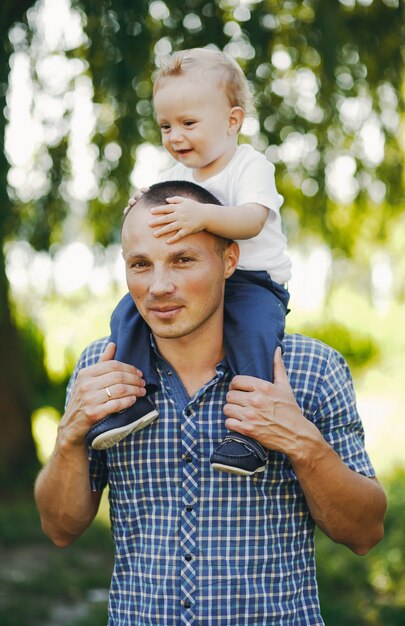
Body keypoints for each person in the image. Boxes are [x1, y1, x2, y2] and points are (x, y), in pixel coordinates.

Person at [35, 182, 386, 626]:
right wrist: (70, 435)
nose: (160, 286)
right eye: (141, 264)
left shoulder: (310, 369)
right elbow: (60, 529)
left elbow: (364, 533)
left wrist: (303, 445)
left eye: (183, 260)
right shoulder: (100, 370)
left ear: (229, 260)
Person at [86, 47, 291, 477]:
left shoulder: (248, 166)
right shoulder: (172, 177)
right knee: (128, 314)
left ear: (232, 121)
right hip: (198, 281)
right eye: (165, 125)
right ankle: (133, 399)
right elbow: (153, 215)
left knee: (254, 334)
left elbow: (252, 220)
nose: (175, 136)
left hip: (253, 281)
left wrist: (204, 215)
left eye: (188, 123)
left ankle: (249, 433)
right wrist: (139, 207)